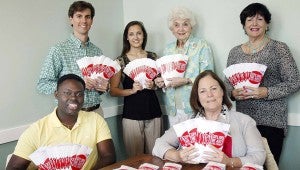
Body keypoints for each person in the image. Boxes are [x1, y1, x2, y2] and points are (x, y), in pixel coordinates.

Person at [225, 3, 300, 164]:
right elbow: (227, 84)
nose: (254, 23)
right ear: (244, 25)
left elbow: (294, 82)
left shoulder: (279, 48)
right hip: (242, 121)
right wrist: (232, 93)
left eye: (260, 19)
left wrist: (265, 92)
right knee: (243, 166)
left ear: (267, 24)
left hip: (271, 122)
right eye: (250, 19)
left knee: (268, 166)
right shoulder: (234, 52)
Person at [152, 70, 266, 168]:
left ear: (222, 91)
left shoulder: (244, 121)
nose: (209, 94)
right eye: (203, 91)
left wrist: (229, 161)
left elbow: (259, 156)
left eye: (214, 89)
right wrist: (178, 156)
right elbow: (158, 145)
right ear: (198, 97)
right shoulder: (187, 122)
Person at [6, 74, 116, 170]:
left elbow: (109, 156)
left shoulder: (96, 120)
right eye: (67, 93)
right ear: (56, 95)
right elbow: (14, 167)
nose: (73, 98)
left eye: (79, 94)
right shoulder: (36, 130)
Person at [37, 1, 108, 116]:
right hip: (71, 114)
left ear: (92, 21)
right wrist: (76, 85)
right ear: (71, 19)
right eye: (79, 16)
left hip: (97, 113)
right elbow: (43, 84)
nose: (84, 21)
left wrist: (103, 87)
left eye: (87, 17)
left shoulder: (97, 52)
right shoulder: (58, 50)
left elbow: (99, 90)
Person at [109, 21, 162, 157]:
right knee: (135, 159)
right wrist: (131, 91)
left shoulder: (153, 57)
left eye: (139, 33)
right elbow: (113, 90)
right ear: (127, 37)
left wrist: (154, 85)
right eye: (131, 34)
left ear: (144, 35)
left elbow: (162, 83)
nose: (136, 37)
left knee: (155, 156)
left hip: (154, 111)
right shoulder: (119, 61)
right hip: (131, 115)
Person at [154, 7, 214, 127]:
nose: (181, 29)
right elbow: (165, 76)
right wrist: (161, 82)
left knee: (194, 143)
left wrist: (186, 80)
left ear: (191, 26)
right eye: (176, 25)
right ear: (172, 29)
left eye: (185, 24)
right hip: (173, 108)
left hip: (194, 105)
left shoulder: (201, 45)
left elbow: (209, 76)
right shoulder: (168, 49)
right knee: (175, 143)